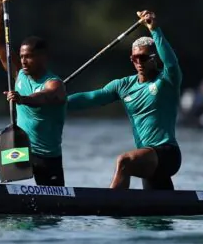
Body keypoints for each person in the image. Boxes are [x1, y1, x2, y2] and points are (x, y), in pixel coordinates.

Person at [67, 10, 182, 190]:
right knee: (156, 216)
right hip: (147, 157)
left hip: (167, 153)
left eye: (143, 58)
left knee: (124, 162)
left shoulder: (167, 80)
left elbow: (171, 63)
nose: (138, 62)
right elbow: (91, 98)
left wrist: (155, 30)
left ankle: (108, 208)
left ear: (154, 58)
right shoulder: (123, 85)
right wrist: (57, 103)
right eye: (134, 58)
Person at [0, 0, 68, 186]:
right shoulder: (19, 74)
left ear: (43, 57)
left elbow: (44, 97)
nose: (24, 61)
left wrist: (23, 99)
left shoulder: (54, 84)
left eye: (29, 56)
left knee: (50, 215)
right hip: (22, 152)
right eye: (22, 56)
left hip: (46, 158)